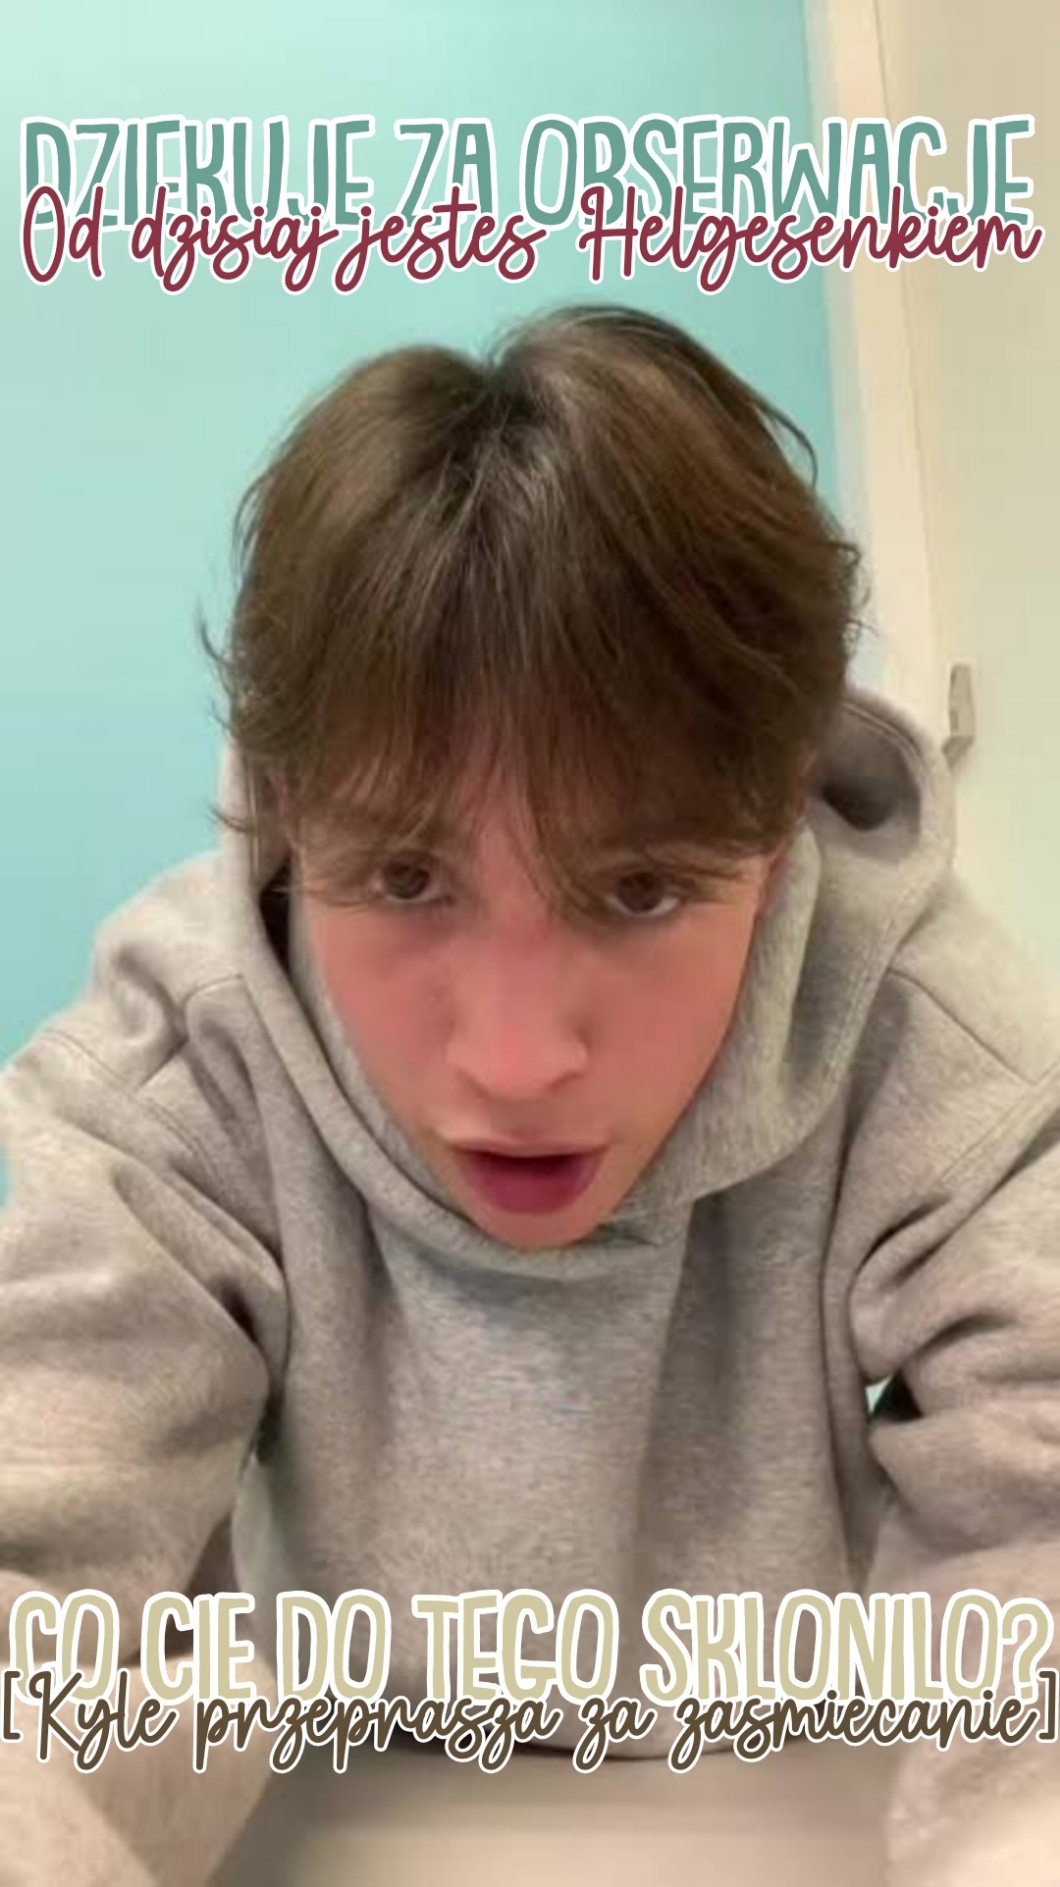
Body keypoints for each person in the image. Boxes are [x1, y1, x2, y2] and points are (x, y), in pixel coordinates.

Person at [1, 301, 1059, 1885]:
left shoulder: (931, 1043)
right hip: (339, 1800)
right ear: (288, 818)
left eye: (638, 889)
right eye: (404, 878)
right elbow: (34, 1560)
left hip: (787, 1801)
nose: (515, 1062)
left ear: (779, 838)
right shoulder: (188, 1053)